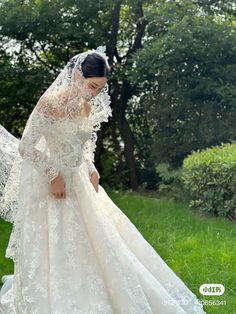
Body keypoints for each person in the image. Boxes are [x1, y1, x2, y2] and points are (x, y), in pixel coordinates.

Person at [0, 46, 206, 313]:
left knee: (101, 245)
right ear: (76, 76)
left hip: (80, 184)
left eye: (99, 89)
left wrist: (91, 166)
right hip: (55, 187)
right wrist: (53, 175)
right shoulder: (49, 104)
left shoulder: (85, 107)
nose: (94, 93)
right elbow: (26, 147)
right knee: (58, 245)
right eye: (92, 85)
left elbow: (80, 146)